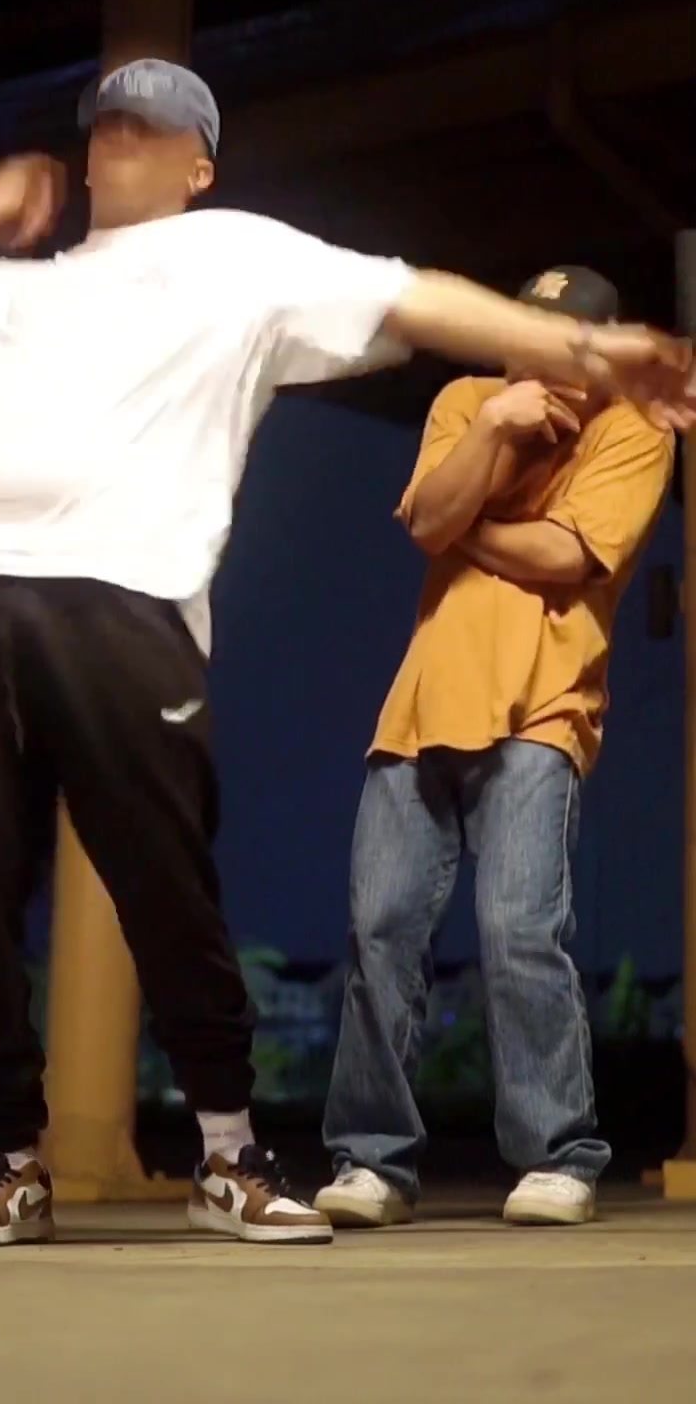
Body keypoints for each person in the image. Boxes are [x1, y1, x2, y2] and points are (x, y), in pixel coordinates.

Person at [0, 62, 693, 1249]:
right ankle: (9, 1159)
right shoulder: (8, 291)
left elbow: (422, 303)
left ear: (200, 165)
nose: (122, 135)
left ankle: (240, 1151)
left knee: (179, 888)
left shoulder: (240, 255)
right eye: (108, 122)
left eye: (152, 125)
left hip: (144, 602)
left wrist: (590, 354)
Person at [316, 266, 676, 1230]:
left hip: (543, 710)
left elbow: (565, 556)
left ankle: (558, 1156)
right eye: (530, 336)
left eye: (565, 342)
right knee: (381, 928)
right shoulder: (467, 402)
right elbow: (426, 519)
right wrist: (494, 432)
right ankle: (371, 1161)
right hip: (420, 708)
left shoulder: (633, 429)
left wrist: (460, 529)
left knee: (520, 931)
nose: (541, 358)